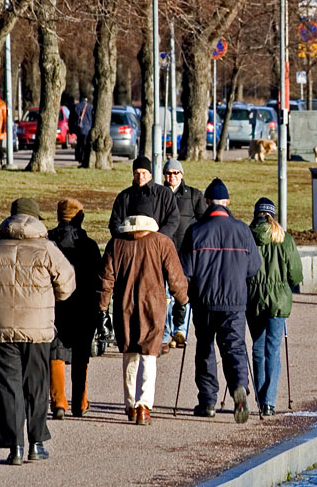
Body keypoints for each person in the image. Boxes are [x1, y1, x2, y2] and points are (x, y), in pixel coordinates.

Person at [0, 198, 76, 465]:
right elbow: (67, 283)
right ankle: (36, 442)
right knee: (36, 385)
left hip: (2, 326)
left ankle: (14, 445)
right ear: (37, 219)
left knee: (8, 385)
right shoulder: (46, 249)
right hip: (37, 329)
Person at [100, 203, 189, 426]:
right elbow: (175, 277)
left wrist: (102, 307)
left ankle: (130, 404)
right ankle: (143, 406)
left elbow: (106, 279)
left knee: (129, 353)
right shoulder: (162, 242)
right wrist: (183, 300)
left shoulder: (117, 243)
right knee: (149, 355)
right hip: (153, 304)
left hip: (124, 305)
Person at [181, 178, 261, 423]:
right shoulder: (243, 230)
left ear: (206, 202)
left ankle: (207, 401)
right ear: (227, 202)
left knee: (205, 349)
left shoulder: (195, 231)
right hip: (234, 303)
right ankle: (238, 385)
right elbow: (253, 267)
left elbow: (185, 270)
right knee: (234, 348)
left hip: (204, 302)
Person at [246, 197, 303, 418]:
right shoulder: (284, 239)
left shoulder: (247, 237)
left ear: (255, 214)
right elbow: (296, 274)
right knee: (273, 349)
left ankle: (261, 401)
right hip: (279, 301)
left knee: (257, 348)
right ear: (272, 215)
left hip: (253, 299)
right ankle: (269, 401)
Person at [47, 199, 102, 419]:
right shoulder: (88, 245)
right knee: (81, 355)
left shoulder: (48, 243)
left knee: (55, 352)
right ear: (79, 217)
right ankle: (80, 402)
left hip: (54, 304)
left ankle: (59, 402)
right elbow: (98, 277)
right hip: (84, 304)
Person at [162, 158, 206, 351]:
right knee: (164, 294)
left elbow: (204, 222)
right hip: (163, 251)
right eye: (169, 173)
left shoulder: (193, 195)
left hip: (185, 253)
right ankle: (166, 332)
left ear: (182, 175)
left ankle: (180, 330)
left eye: (176, 173)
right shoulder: (159, 193)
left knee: (183, 293)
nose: (172, 177)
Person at [108, 156, 180, 240]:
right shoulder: (124, 196)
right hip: (130, 245)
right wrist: (124, 239)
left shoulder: (164, 194)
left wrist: (158, 238)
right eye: (137, 173)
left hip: (158, 245)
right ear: (133, 175)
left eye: (144, 173)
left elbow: (173, 219)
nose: (140, 177)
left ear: (150, 174)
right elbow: (115, 222)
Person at [74, 96, 93, 167]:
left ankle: (79, 158)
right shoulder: (90, 107)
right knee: (85, 145)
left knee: (80, 143)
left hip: (80, 128)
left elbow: (74, 117)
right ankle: (84, 158)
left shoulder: (77, 106)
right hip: (88, 128)